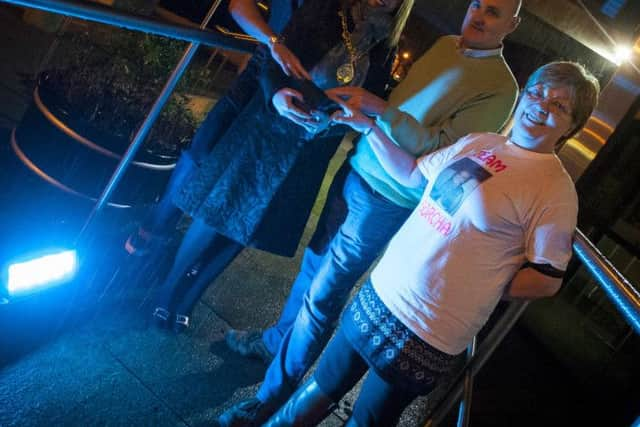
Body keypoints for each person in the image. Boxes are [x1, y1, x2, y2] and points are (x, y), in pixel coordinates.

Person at [220, 0, 521, 424]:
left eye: (494, 11)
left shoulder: (501, 87)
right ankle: (274, 343)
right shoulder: (445, 45)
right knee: (313, 267)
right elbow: (403, 113)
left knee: (324, 295)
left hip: (389, 196)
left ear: (513, 25)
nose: (479, 15)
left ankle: (269, 402)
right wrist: (363, 115)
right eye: (477, 4)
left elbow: (444, 150)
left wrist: (377, 108)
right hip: (361, 163)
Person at [260, 60, 600, 427]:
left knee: (367, 421)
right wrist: (369, 127)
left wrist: (480, 287)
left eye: (559, 106)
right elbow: (411, 174)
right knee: (317, 391)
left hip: (428, 329)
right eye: (536, 92)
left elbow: (547, 278)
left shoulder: (554, 189)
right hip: (382, 293)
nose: (541, 106)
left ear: (572, 126)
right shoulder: (481, 142)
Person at [151, 0, 414, 333]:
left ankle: (190, 296)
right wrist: (275, 93)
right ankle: (168, 289)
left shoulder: (386, 45)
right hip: (271, 124)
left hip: (314, 142)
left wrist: (337, 121)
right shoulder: (329, 8)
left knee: (251, 227)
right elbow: (276, 55)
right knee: (217, 209)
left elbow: (367, 100)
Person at [124, 0, 309, 255]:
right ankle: (158, 227)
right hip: (256, 76)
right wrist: (273, 40)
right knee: (200, 154)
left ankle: (187, 251)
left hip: (294, 90)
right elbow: (239, 6)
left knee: (242, 175)